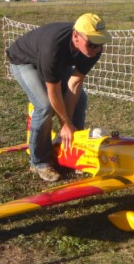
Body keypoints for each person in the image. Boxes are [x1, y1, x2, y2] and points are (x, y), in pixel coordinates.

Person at [6, 13, 112, 182]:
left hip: (54, 62)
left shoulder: (94, 49)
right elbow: (53, 90)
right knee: (44, 106)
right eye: (92, 44)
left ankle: (72, 148)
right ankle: (39, 162)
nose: (97, 49)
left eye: (100, 43)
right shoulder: (53, 48)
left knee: (81, 99)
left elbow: (74, 84)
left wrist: (68, 124)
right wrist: (65, 124)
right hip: (24, 60)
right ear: (76, 36)